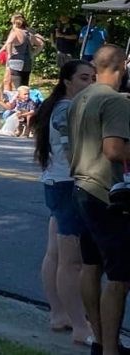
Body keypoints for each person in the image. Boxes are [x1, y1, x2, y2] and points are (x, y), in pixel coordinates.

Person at [67, 44, 130, 355]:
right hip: (107, 193)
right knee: (119, 276)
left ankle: (99, 339)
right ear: (122, 65)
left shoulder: (81, 98)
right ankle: (110, 349)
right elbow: (114, 150)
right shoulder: (115, 100)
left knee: (91, 266)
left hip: (80, 187)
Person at [33, 59, 96, 346]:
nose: (90, 84)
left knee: (55, 254)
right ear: (67, 81)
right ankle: (81, 326)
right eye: (84, 78)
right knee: (72, 262)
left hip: (54, 183)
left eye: (93, 78)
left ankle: (59, 314)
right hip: (69, 185)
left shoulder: (56, 106)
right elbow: (74, 155)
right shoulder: (68, 109)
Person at [0, 13, 39, 89]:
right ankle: (25, 100)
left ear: (14, 22)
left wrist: (9, 55)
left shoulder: (15, 32)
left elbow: (9, 42)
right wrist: (33, 53)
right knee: (25, 87)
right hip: (27, 63)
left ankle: (17, 99)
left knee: (17, 88)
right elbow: (40, 43)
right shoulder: (29, 33)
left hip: (16, 62)